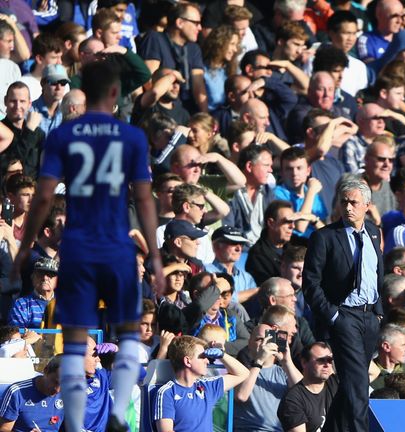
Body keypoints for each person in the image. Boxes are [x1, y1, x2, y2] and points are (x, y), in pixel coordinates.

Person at [13, 60, 166, 432]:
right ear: (114, 95)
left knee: (77, 336)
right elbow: (144, 200)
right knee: (129, 331)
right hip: (115, 243)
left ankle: (79, 425)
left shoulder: (64, 135)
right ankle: (116, 417)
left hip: (78, 246)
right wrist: (156, 255)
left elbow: (44, 197)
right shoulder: (131, 137)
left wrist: (26, 244)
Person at [302, 177, 383, 432]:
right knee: (359, 384)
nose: (348, 208)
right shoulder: (324, 237)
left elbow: (376, 273)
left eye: (354, 203)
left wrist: (379, 312)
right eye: (344, 202)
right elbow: (310, 283)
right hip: (344, 315)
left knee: (350, 385)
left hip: (369, 316)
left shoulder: (373, 232)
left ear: (367, 205)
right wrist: (333, 316)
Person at [154, 335, 249, 432]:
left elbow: (243, 373)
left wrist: (222, 355)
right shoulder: (167, 392)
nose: (207, 361)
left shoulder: (207, 386)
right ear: (187, 361)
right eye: (203, 356)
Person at [277, 342, 339, 432]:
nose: (327, 365)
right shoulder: (292, 399)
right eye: (321, 360)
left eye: (329, 360)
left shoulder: (336, 383)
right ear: (304, 363)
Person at [0, 355, 64, 431]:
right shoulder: (17, 393)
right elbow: (4, 429)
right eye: (55, 382)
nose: (57, 390)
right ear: (46, 370)